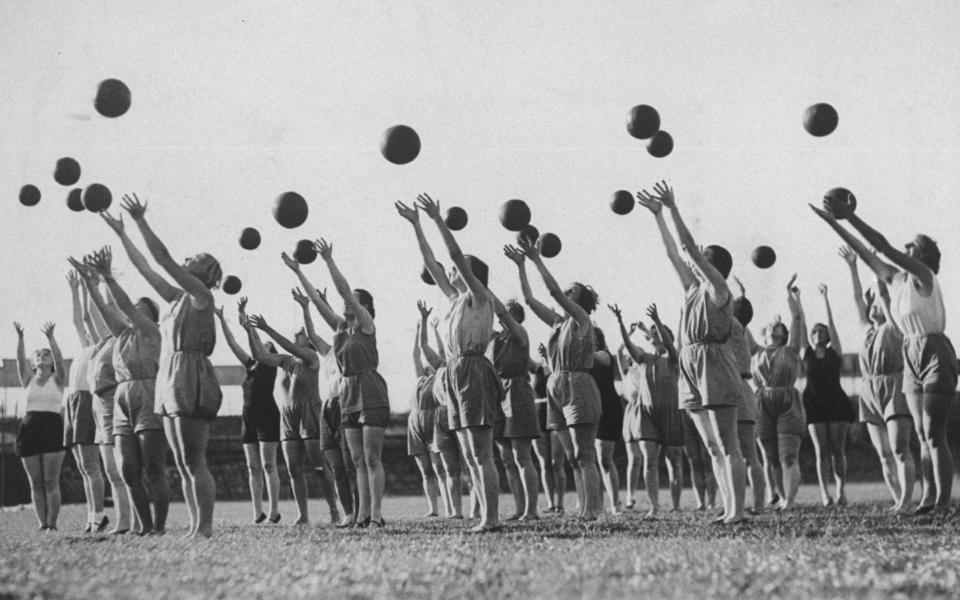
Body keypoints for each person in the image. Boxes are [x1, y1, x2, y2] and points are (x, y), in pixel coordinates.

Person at [812, 200, 955, 515]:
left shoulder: (923, 273)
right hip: (911, 354)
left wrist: (849, 215)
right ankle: (928, 499)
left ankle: (943, 502)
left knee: (933, 433)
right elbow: (866, 252)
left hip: (934, 351)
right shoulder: (896, 279)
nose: (906, 248)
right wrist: (833, 223)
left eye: (912, 246)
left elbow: (882, 245)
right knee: (920, 433)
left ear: (923, 255)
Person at [100, 194, 222, 538]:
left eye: (194, 258)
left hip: (191, 373)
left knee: (194, 459)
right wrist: (124, 234)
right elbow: (146, 267)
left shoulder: (202, 296)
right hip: (169, 375)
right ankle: (196, 525)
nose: (186, 258)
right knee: (183, 462)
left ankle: (206, 528)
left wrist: (141, 221)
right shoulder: (176, 298)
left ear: (206, 271)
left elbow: (163, 259)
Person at [636, 181, 746, 524]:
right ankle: (727, 508)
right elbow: (675, 252)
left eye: (704, 256)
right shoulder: (692, 289)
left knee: (728, 444)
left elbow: (687, 249)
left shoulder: (718, 290)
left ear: (714, 266)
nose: (696, 255)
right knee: (712, 446)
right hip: (689, 364)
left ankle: (738, 512)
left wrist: (673, 208)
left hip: (714, 363)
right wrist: (658, 217)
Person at [397, 195, 502, 532]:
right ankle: (484, 515)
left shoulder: (478, 298)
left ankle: (492, 518)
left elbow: (454, 255)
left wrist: (438, 220)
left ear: (472, 275)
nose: (452, 269)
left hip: (473, 370)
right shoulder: (454, 299)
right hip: (453, 374)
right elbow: (432, 262)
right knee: (470, 454)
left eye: (459, 268)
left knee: (481, 453)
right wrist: (416, 224)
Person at [503, 241, 603, 521]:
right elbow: (530, 300)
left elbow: (554, 292)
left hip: (578, 385)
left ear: (579, 300)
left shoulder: (581, 319)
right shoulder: (559, 323)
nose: (567, 292)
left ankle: (593, 510)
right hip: (556, 386)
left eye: (574, 291)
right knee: (571, 457)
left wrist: (536, 258)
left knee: (584, 454)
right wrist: (521, 265)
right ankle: (585, 508)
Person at [79, 248, 171, 534]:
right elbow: (106, 310)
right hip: (122, 399)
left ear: (151, 315)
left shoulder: (153, 332)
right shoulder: (122, 333)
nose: (134, 309)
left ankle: (158, 526)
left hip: (147, 393)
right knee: (129, 470)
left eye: (142, 307)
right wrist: (90, 283)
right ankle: (142, 527)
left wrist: (107, 276)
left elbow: (124, 307)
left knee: (153, 469)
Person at [311, 239, 391, 528]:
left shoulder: (367, 325)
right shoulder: (339, 329)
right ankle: (362, 514)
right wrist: (298, 272)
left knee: (371, 458)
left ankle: (377, 513)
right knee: (356, 461)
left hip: (370, 391)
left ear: (364, 306)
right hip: (347, 394)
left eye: (354, 300)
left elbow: (344, 292)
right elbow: (318, 303)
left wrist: (329, 261)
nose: (347, 303)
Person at [247, 292, 342, 527]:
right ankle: (304, 515)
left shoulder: (311, 357)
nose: (295, 337)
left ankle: (334, 512)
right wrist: (249, 329)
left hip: (309, 413)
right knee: (293, 469)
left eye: (299, 335)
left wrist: (268, 329)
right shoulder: (284, 361)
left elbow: (290, 346)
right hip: (288, 417)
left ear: (307, 340)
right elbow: (259, 354)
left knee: (320, 468)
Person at [280, 253, 358, 526]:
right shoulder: (325, 351)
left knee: (350, 464)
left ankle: (361, 511)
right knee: (336, 465)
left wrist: (317, 302)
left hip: (347, 403)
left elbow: (326, 321)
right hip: (327, 409)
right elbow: (314, 334)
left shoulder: (349, 346)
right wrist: (305, 305)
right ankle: (348, 513)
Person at [839, 246, 914, 512]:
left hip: (894, 386)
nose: (872, 305)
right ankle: (898, 500)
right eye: (871, 304)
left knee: (899, 449)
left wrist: (875, 270)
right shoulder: (865, 328)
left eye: (877, 303)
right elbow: (857, 296)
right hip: (869, 390)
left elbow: (885, 291)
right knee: (883, 454)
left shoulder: (894, 326)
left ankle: (906, 501)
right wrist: (852, 267)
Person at [611, 303, 685, 516]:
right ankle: (654, 506)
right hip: (646, 413)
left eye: (658, 333)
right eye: (653, 333)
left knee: (674, 460)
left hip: (671, 412)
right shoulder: (643, 358)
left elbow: (670, 344)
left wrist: (657, 321)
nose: (654, 335)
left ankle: (677, 504)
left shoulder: (673, 358)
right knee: (649, 459)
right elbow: (627, 345)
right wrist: (620, 323)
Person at [215, 297, 281, 524]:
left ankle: (274, 511)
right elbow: (233, 343)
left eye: (268, 345)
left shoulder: (271, 363)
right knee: (252, 466)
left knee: (268, 465)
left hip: (267, 416)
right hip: (248, 417)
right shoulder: (249, 364)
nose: (264, 346)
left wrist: (249, 327)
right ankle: (257, 512)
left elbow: (255, 341)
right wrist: (223, 318)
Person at [752, 275, 807, 510]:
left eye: (780, 328)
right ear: (764, 333)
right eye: (772, 326)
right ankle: (776, 495)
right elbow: (738, 322)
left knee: (788, 456)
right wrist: (742, 296)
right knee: (770, 457)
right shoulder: (756, 351)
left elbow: (796, 318)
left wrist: (790, 295)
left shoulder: (791, 349)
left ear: (783, 335)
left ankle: (789, 500)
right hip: (762, 402)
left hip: (787, 401)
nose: (777, 327)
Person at [801, 282, 855, 507]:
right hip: (814, 404)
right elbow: (801, 324)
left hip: (836, 403)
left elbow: (832, 323)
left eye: (822, 331)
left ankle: (841, 492)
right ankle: (825, 493)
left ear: (828, 335)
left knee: (837, 450)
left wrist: (825, 298)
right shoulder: (807, 353)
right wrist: (797, 299)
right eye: (815, 331)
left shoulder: (835, 352)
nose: (818, 333)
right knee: (821, 452)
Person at [64, 271, 108, 532]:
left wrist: (91, 286)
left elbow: (86, 316)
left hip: (88, 399)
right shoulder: (84, 345)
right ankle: (92, 515)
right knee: (82, 466)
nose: (89, 327)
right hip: (73, 401)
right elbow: (77, 319)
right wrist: (75, 288)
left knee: (91, 464)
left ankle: (99, 514)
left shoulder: (102, 344)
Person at [491, 296, 541, 522]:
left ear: (517, 317)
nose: (502, 316)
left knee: (522, 456)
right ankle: (520, 509)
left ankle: (532, 510)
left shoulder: (520, 334)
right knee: (507, 459)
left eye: (508, 312)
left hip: (518, 392)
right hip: (497, 394)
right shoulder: (495, 338)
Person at [13, 321, 66, 531]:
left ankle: (52, 524)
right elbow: (19, 361)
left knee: (50, 481)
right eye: (37, 356)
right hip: (29, 429)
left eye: (45, 355)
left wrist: (50, 339)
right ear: (33, 363)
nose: (41, 357)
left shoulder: (58, 379)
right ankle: (42, 523)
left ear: (51, 360)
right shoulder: (28, 380)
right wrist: (20, 339)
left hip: (52, 427)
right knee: (35, 482)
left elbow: (61, 360)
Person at [729, 278, 767, 513]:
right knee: (747, 453)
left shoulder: (732, 325)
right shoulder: (743, 330)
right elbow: (754, 349)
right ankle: (758, 504)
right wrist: (742, 294)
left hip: (737, 388)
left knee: (744, 452)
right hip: (744, 388)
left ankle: (751, 505)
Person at [408, 305, 445, 517]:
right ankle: (433, 508)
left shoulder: (439, 374)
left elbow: (439, 352)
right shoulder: (420, 377)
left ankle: (448, 507)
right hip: (415, 423)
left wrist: (434, 330)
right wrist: (418, 328)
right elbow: (415, 353)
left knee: (438, 468)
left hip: (433, 421)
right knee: (425, 470)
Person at [588, 327, 623, 515]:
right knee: (591, 459)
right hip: (591, 407)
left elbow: (597, 358)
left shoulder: (604, 355)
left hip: (609, 409)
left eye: (591, 336)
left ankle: (615, 504)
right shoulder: (583, 358)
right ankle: (597, 505)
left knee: (605, 459)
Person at [530, 347, 560, 514]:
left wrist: (549, 356)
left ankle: (560, 504)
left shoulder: (556, 368)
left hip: (555, 418)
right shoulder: (536, 370)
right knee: (544, 464)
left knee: (557, 463)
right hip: (538, 418)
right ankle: (550, 503)